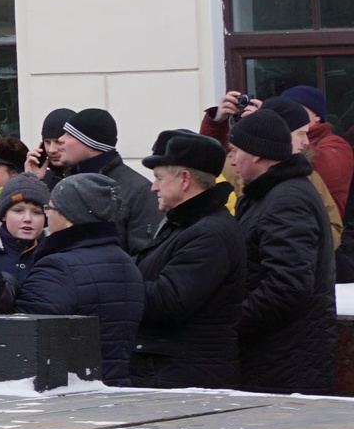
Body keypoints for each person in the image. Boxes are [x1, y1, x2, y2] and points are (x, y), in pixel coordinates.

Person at [226, 106, 339, 395]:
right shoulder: (266, 194)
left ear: (258, 154)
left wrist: (230, 322)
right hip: (277, 355)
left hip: (284, 361)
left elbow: (287, 285)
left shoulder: (286, 199)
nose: (233, 161)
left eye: (236, 151)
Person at [130, 131, 244, 390]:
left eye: (159, 177)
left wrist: (114, 284)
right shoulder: (184, 223)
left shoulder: (209, 233)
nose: (153, 187)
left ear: (185, 179)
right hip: (171, 370)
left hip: (186, 379)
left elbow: (168, 301)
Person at [15, 173, 145, 386]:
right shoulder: (126, 261)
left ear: (69, 218)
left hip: (70, 394)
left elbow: (26, 336)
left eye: (50, 208)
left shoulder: (57, 267)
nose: (47, 215)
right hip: (118, 387)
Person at [206, 83, 353, 219]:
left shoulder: (336, 144)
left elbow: (325, 169)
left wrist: (270, 128)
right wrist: (218, 123)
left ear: (317, 115)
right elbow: (207, 162)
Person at [37, 106, 160, 253]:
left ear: (90, 144)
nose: (61, 140)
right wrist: (34, 181)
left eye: (69, 134)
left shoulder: (139, 190)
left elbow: (145, 257)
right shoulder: (65, 182)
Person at [0, 174, 49, 285]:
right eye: (18, 211)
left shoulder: (54, 252)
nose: (28, 219)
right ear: (4, 215)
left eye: (37, 212)